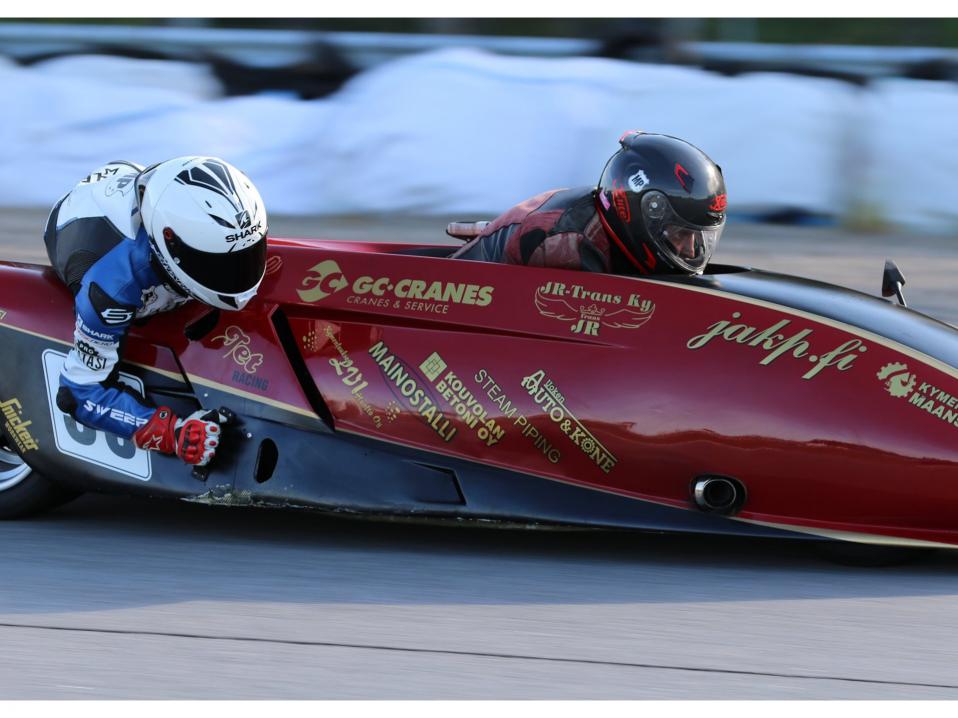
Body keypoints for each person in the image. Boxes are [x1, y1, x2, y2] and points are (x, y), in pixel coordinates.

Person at [44, 157, 269, 467]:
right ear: (170, 245)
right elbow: (77, 392)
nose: (239, 276)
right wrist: (174, 434)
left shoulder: (197, 230)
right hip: (82, 226)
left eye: (250, 255)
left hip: (136, 182)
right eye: (220, 265)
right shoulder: (113, 286)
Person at [451, 131, 727, 276]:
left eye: (697, 235)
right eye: (680, 233)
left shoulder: (606, 224)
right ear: (641, 214)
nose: (690, 250)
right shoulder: (565, 246)